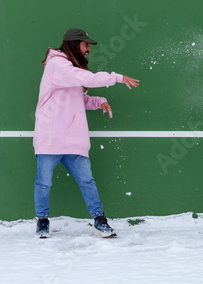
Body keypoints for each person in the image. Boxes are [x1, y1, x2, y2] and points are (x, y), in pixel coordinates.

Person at [33, 28, 139, 238]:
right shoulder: (57, 65)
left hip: (73, 139)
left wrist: (99, 102)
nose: (88, 49)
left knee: (87, 181)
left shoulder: (70, 69)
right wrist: (117, 77)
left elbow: (78, 98)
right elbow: (85, 78)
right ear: (74, 44)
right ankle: (42, 222)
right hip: (50, 138)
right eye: (85, 45)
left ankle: (100, 221)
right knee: (44, 183)